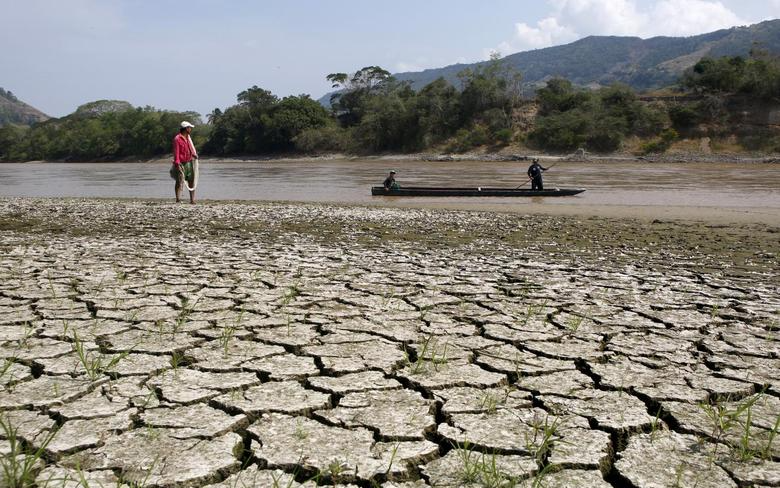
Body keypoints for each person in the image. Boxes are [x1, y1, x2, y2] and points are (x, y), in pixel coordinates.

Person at [171, 121, 198, 204]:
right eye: (190, 128)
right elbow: (176, 152)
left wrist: (193, 154)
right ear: (186, 129)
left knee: (191, 180)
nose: (191, 129)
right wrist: (177, 163)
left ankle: (192, 200)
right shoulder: (177, 139)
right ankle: (178, 199)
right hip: (181, 163)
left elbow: (190, 148)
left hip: (189, 161)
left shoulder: (188, 138)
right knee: (179, 181)